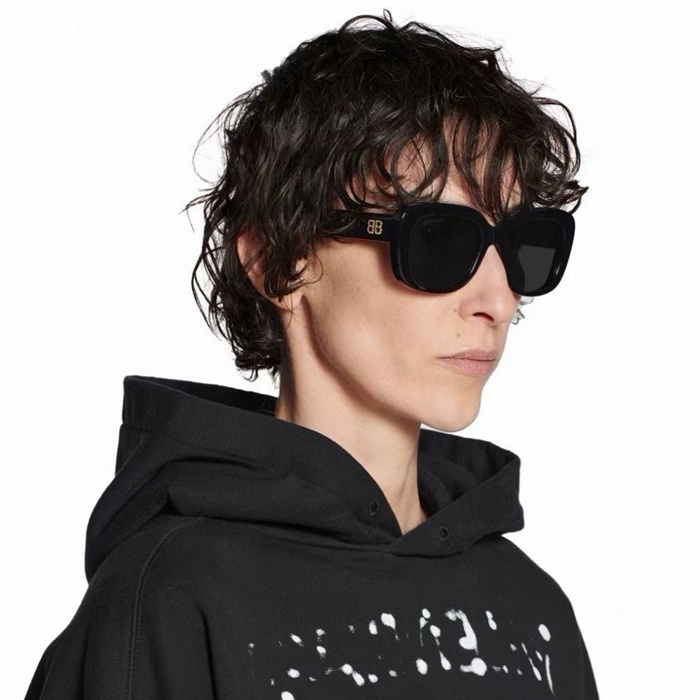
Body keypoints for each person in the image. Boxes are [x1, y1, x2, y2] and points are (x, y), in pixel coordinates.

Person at [24, 11, 599, 699]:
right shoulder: (171, 602)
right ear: (281, 263)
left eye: (523, 249)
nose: (497, 300)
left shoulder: (533, 612)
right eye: (441, 241)